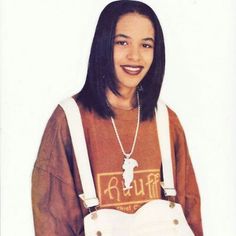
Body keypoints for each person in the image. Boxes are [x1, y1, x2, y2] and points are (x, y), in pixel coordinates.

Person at [32, 1, 203, 235]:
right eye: (122, 42)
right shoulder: (69, 120)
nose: (135, 56)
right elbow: (52, 220)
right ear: (103, 46)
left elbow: (190, 212)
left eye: (146, 45)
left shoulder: (166, 120)